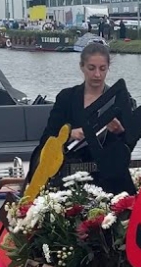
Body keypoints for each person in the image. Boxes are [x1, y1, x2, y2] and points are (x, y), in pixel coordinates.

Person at [24, 42, 127, 190]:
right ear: (82, 67)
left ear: (108, 68)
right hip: (65, 177)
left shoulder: (119, 100)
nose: (97, 74)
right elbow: (47, 138)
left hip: (103, 180)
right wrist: (69, 134)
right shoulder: (66, 97)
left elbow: (128, 145)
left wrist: (119, 131)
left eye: (102, 69)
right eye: (91, 68)